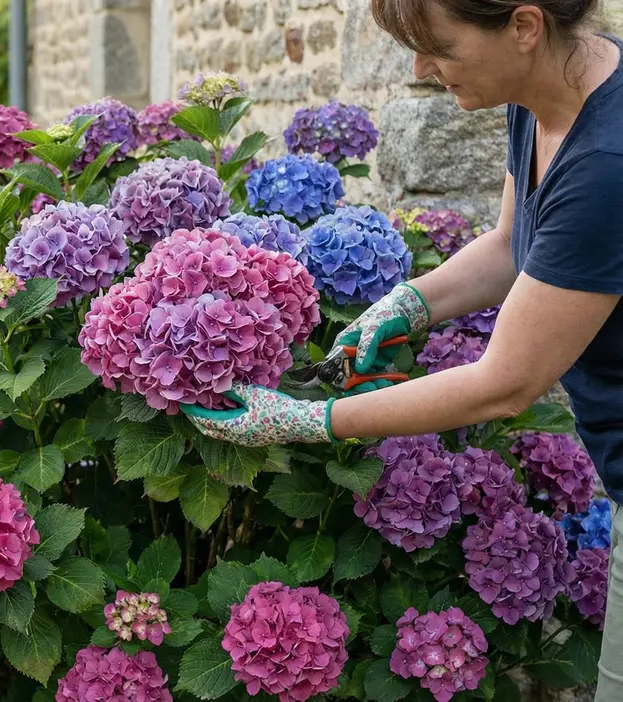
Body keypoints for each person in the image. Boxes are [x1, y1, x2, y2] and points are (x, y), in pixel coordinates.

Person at [181, 0, 623, 696]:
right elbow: (512, 245)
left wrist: (307, 420)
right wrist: (407, 304)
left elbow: (505, 385)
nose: (420, 69)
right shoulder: (546, 92)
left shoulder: (608, 165)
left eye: (438, 47)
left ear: (523, 25)